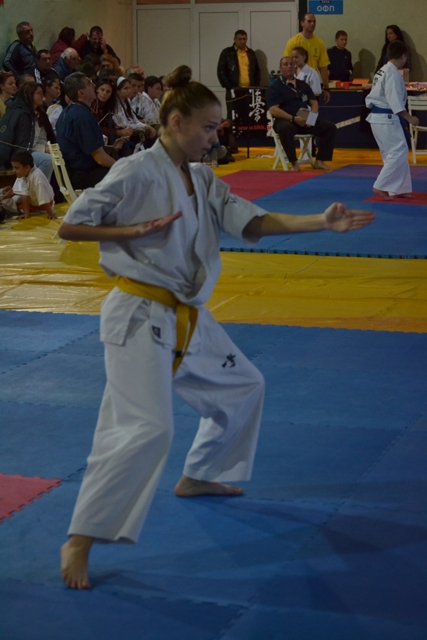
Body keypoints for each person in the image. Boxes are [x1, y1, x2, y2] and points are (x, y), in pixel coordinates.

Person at [57, 63, 374, 590]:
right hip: (137, 313)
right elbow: (71, 225)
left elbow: (253, 221)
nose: (214, 136)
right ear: (176, 122)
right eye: (207, 127)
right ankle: (80, 539)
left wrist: (321, 221)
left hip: (186, 314)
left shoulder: (203, 178)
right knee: (147, 429)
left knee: (244, 387)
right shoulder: (136, 172)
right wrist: (133, 231)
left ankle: (201, 474)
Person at [366, 40, 418, 200]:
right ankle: (381, 185)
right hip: (386, 118)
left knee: (393, 153)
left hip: (380, 118)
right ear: (403, 56)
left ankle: (398, 188)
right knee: (398, 152)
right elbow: (394, 100)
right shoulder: (392, 73)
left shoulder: (383, 70)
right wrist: (409, 117)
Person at [266, 57, 336, 171]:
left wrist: (311, 117)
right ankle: (294, 162)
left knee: (329, 127)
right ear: (280, 68)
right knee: (285, 128)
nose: (289, 66)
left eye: (291, 64)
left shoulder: (303, 85)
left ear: (295, 67)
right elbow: (273, 109)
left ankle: (320, 160)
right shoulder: (275, 87)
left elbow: (314, 102)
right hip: (286, 120)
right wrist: (293, 118)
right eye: (286, 64)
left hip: (304, 119)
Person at [56, 72, 122, 189]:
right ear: (81, 93)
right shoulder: (82, 117)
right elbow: (100, 159)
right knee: (127, 177)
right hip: (83, 175)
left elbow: (80, 148)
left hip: (73, 172)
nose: (93, 85)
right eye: (89, 83)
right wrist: (122, 167)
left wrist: (110, 148)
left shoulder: (67, 112)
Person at [0, 81, 54, 179]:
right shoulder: (19, 113)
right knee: (47, 160)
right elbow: (19, 143)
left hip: (33, 151)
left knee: (56, 156)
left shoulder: (40, 114)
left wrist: (45, 148)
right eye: (39, 93)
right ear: (29, 94)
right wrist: (43, 149)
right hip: (19, 154)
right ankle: (38, 187)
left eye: (42, 93)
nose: (42, 96)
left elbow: (42, 137)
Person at [283, 13, 330, 104]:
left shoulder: (319, 43)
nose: (312, 23)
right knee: (297, 111)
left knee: (312, 110)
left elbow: (323, 67)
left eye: (314, 21)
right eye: (309, 21)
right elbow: (286, 65)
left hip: (312, 87)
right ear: (302, 23)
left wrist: (326, 88)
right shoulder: (293, 42)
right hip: (295, 88)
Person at [217, 30, 261, 119]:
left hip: (249, 90)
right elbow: (221, 71)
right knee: (232, 115)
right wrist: (229, 86)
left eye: (244, 39)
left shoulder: (251, 53)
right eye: (240, 39)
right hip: (234, 89)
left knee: (248, 115)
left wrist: (255, 86)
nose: (242, 41)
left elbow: (257, 71)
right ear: (234, 39)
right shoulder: (227, 53)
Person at [1, 150, 56, 219]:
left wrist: (51, 214)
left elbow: (43, 198)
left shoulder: (37, 177)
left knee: (8, 203)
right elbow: (24, 194)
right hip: (32, 203)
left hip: (44, 205)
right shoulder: (22, 174)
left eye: (16, 168)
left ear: (27, 167)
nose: (13, 171)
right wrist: (26, 213)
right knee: (7, 201)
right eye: (13, 168)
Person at [113, 76, 156, 153]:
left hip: (130, 130)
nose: (129, 91)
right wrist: (144, 126)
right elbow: (124, 124)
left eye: (129, 88)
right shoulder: (115, 104)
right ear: (118, 91)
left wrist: (146, 126)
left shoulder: (126, 102)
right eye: (126, 88)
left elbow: (135, 120)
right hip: (121, 132)